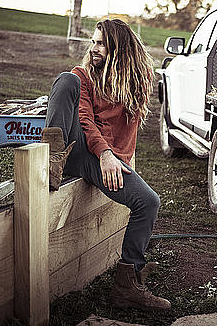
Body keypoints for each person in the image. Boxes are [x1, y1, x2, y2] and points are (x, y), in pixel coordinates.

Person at [41, 19, 170, 311]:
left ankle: (128, 283)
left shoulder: (137, 79)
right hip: (78, 150)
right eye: (93, 41)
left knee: (148, 202)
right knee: (66, 80)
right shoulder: (84, 76)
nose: (93, 47)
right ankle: (50, 161)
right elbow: (84, 120)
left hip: (104, 158)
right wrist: (104, 154)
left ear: (118, 48)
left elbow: (125, 134)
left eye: (100, 43)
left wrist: (115, 157)